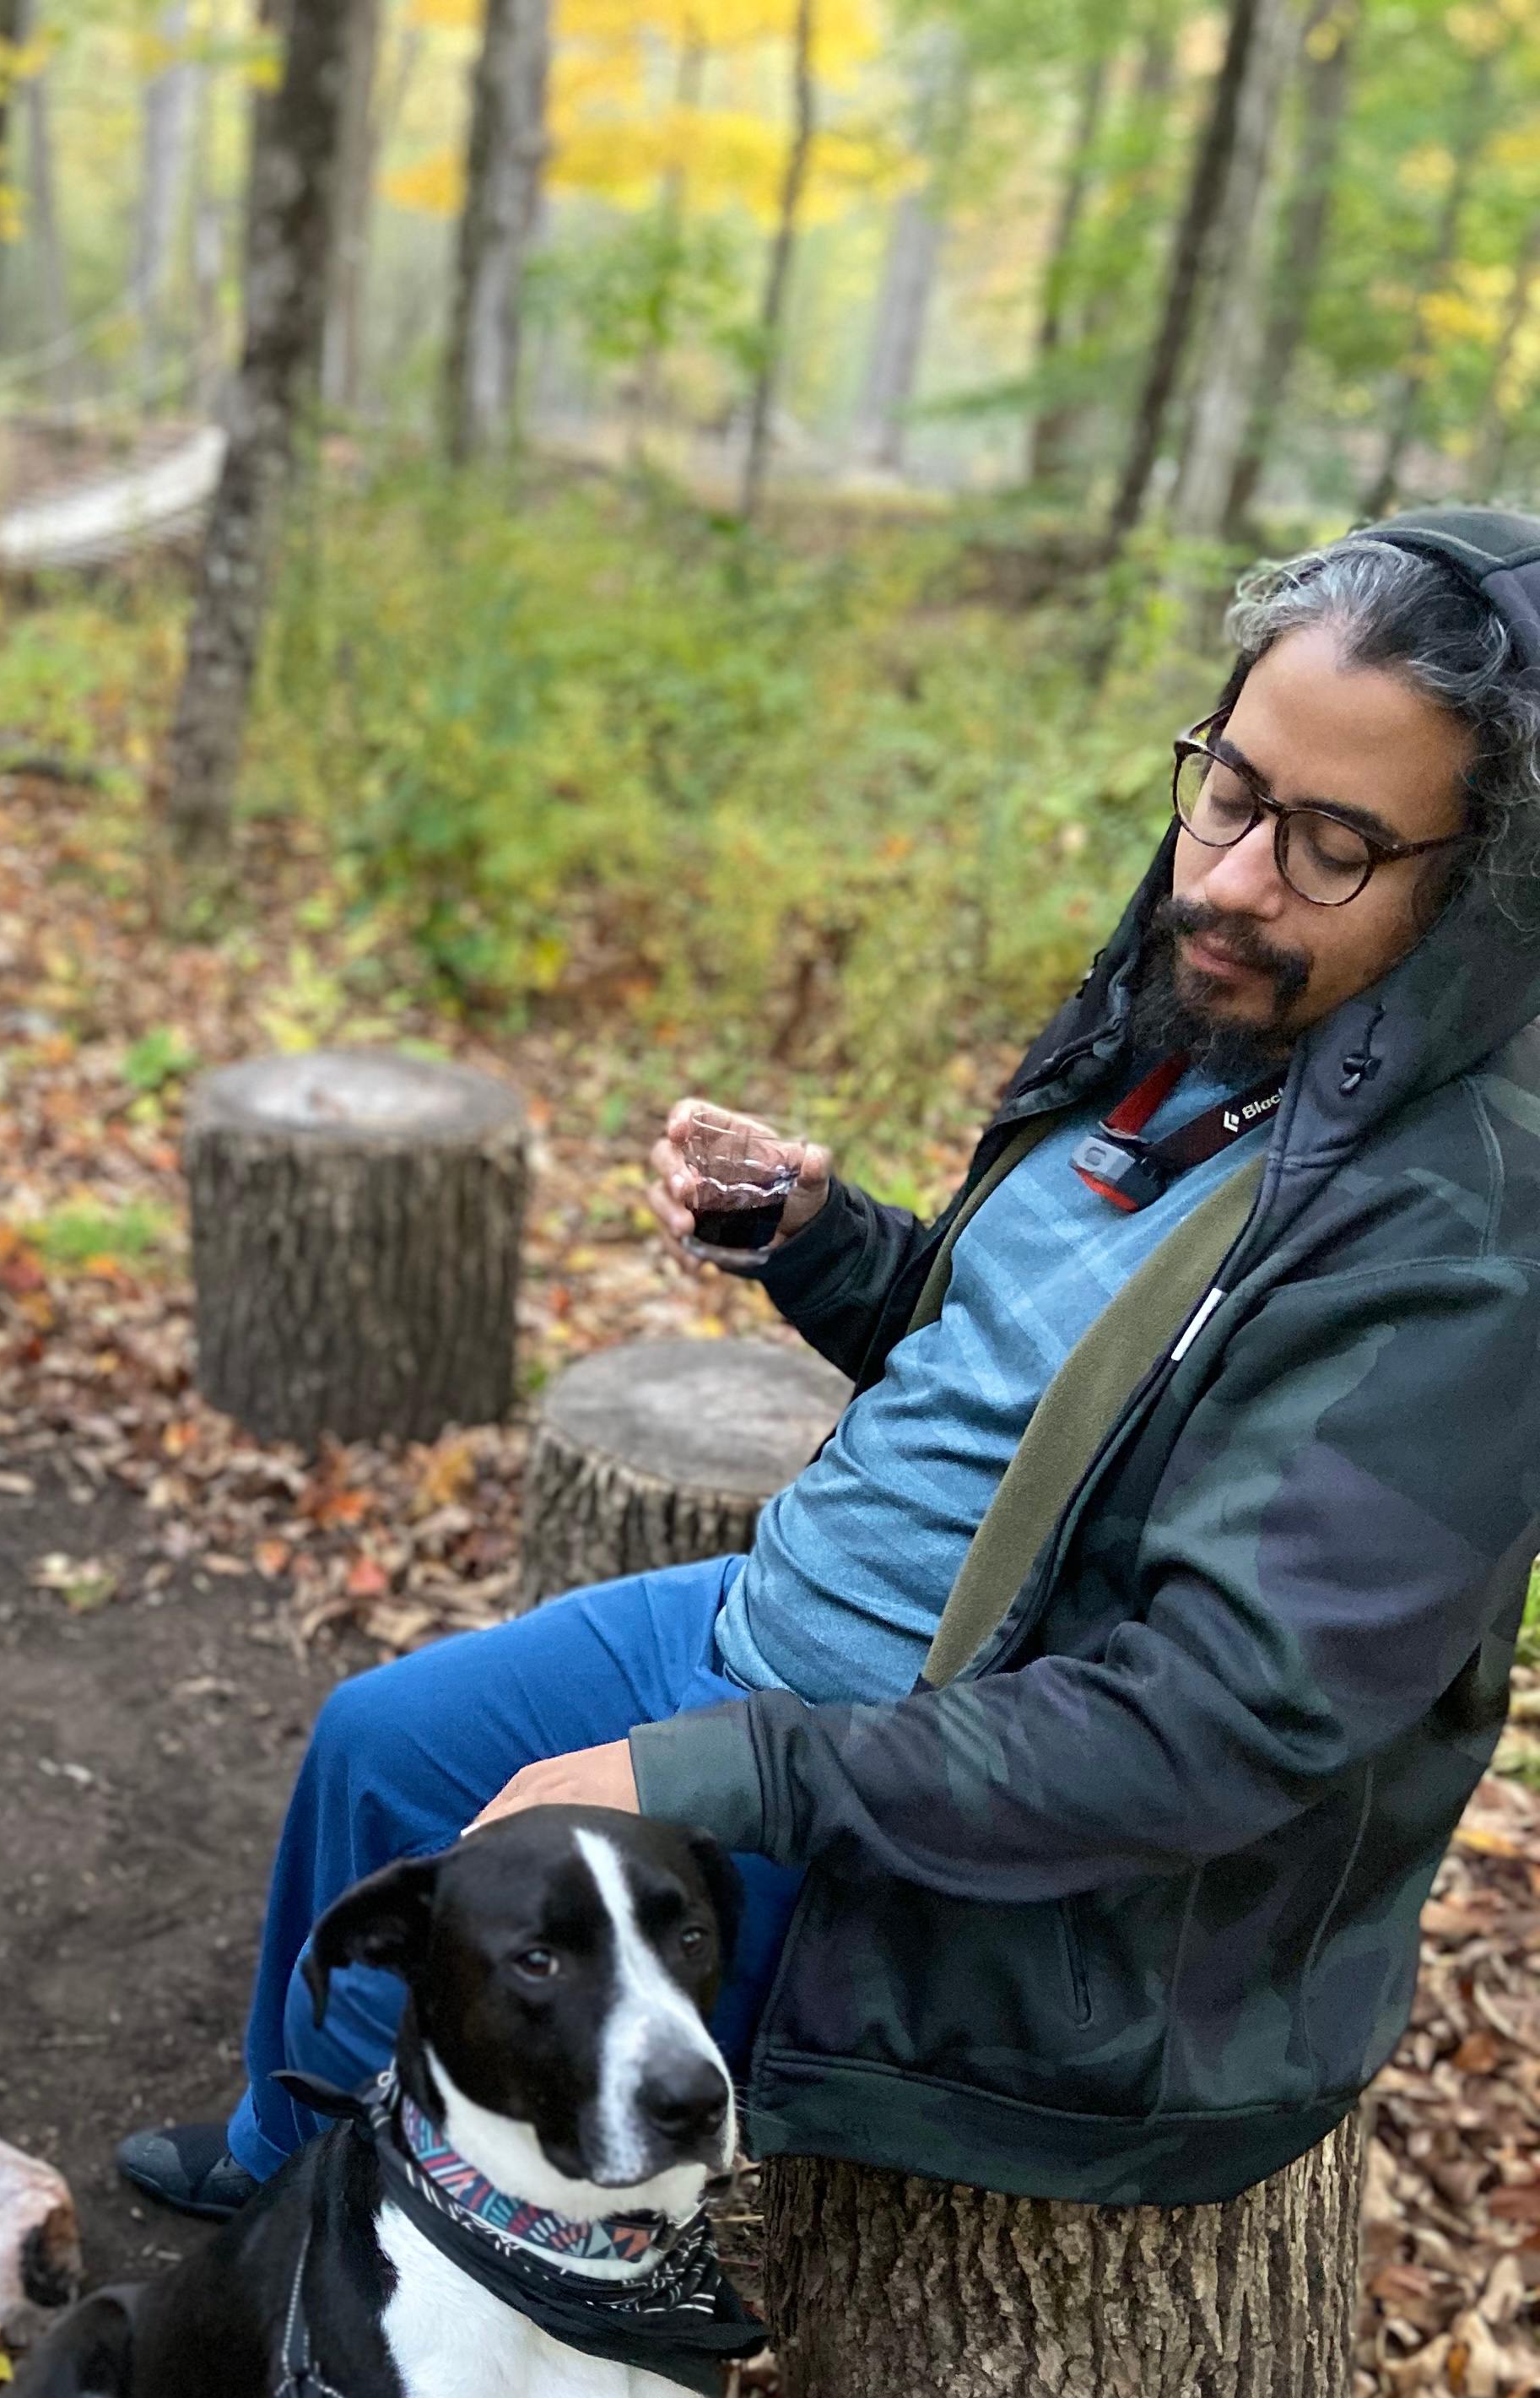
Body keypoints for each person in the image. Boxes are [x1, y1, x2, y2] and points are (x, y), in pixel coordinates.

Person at [120, 509, 1540, 2224]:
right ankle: (308, 2151)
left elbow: (1216, 1727)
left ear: (1482, 883)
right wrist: (827, 1245)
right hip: (772, 1645)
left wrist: (727, 1775)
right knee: (380, 1743)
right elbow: (1033, 1391)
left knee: (546, 1969)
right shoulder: (1204, 1022)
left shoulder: (1459, 1248)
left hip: (1002, 1854)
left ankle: (435, 2259)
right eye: (1229, 793)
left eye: (1331, 845)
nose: (1233, 876)